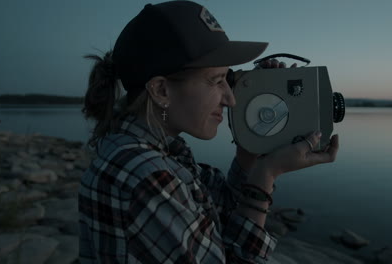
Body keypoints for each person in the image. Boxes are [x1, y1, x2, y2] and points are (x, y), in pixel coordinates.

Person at [78, 1, 339, 263]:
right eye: (216, 81)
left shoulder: (160, 153)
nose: (230, 99)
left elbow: (223, 212)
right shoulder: (144, 175)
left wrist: (251, 152)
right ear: (161, 91)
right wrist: (266, 175)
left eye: (229, 79)